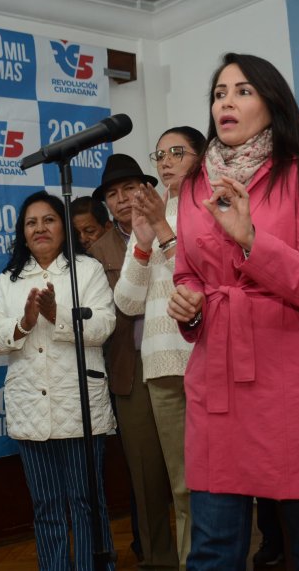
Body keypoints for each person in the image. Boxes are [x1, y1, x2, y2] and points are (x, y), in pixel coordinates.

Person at [167, 53, 299, 568]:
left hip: (294, 382)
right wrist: (187, 306)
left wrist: (252, 241)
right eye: (218, 93)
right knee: (212, 547)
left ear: (272, 102)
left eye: (242, 91)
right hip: (219, 384)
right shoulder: (193, 185)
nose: (226, 102)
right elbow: (189, 274)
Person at [0, 190, 118, 571]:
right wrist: (23, 323)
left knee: (87, 501)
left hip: (80, 409)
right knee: (47, 505)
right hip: (30, 412)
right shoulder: (9, 280)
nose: (40, 228)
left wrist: (59, 314)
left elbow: (104, 326)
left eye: (49, 220)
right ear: (23, 234)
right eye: (31, 222)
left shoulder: (86, 270)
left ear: (64, 227)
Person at [111, 127, 207, 570]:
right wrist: (144, 241)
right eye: (160, 154)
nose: (165, 161)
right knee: (182, 486)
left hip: (207, 360)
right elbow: (127, 302)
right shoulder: (149, 214)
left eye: (177, 152)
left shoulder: (215, 205)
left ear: (200, 157)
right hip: (162, 366)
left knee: (225, 482)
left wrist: (164, 231)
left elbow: (205, 277)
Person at [86, 153, 178, 571]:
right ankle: (159, 560)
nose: (122, 198)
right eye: (112, 193)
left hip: (180, 356)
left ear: (147, 189)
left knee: (191, 469)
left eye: (129, 188)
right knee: (145, 476)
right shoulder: (94, 253)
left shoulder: (173, 225)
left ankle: (201, 557)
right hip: (130, 365)